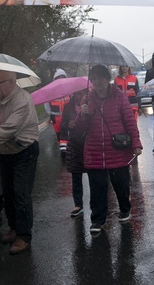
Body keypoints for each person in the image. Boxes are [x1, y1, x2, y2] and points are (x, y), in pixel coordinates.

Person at [78, 65, 142, 234]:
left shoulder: (119, 97)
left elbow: (130, 121)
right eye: (94, 79)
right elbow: (79, 128)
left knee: (121, 184)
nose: (98, 82)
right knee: (97, 187)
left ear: (108, 79)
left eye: (101, 78)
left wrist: (136, 143)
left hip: (117, 149)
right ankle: (98, 219)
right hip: (94, 151)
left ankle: (125, 208)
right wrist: (82, 115)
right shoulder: (87, 99)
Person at [0, 70, 40, 255]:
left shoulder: (23, 100)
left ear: (11, 82)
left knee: (21, 194)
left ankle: (24, 236)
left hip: (24, 150)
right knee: (8, 193)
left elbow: (7, 129)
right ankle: (14, 228)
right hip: (5, 151)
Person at [61, 89, 88, 218]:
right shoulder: (68, 107)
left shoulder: (90, 103)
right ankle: (78, 205)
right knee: (76, 176)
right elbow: (63, 124)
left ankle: (97, 204)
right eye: (76, 94)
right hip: (74, 143)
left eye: (81, 93)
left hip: (89, 143)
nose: (79, 96)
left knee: (94, 176)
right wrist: (68, 124)